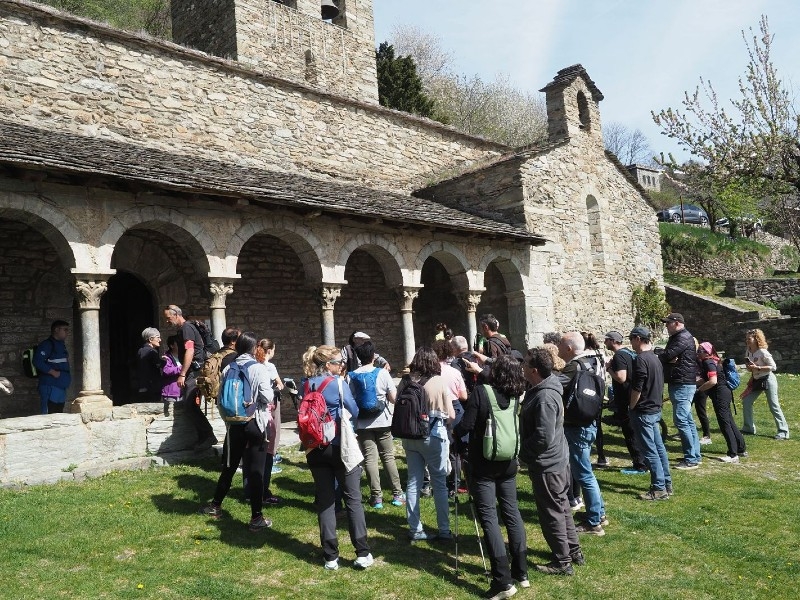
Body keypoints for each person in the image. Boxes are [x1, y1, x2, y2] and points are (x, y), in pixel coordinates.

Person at [455, 355, 529, 598]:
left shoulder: (482, 392)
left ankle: (502, 581)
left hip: (483, 464)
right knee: (512, 513)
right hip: (508, 462)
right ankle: (521, 572)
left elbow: (466, 425)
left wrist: (454, 433)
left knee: (489, 519)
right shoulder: (516, 394)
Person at [301, 345, 373, 570]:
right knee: (353, 499)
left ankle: (330, 556)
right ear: (328, 365)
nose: (342, 365)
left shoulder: (306, 384)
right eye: (338, 362)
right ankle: (362, 553)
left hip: (315, 447)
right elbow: (355, 409)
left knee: (325, 501)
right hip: (340, 445)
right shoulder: (339, 384)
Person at [199, 331, 274, 532]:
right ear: (254, 348)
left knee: (229, 466)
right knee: (256, 471)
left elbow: (222, 397)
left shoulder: (228, 367)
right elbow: (267, 397)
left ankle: (215, 506)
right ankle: (256, 518)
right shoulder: (258, 368)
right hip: (255, 423)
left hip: (234, 424)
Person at [520, 347, 582, 576]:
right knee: (562, 507)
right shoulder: (546, 387)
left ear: (534, 370)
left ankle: (562, 561)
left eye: (525, 364)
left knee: (552, 513)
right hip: (557, 459)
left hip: (548, 464)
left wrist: (523, 454)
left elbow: (543, 437)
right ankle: (573, 551)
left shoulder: (545, 397)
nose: (522, 367)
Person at [400, 346, 455, 541]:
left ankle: (415, 529)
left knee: (413, 482)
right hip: (433, 433)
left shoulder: (406, 381)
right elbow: (451, 414)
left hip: (409, 435)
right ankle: (444, 530)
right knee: (439, 483)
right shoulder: (438, 382)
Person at [557, 331, 607, 536]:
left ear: (569, 348)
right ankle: (599, 513)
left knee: (583, 474)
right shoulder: (594, 361)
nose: (558, 348)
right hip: (589, 421)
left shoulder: (574, 366)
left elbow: (554, 386)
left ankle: (594, 522)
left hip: (576, 426)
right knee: (586, 472)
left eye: (560, 345)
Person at [349, 340, 403, 509]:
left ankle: (376, 497)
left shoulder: (352, 375)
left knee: (370, 459)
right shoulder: (382, 373)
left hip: (362, 423)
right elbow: (393, 399)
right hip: (383, 420)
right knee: (388, 457)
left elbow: (350, 400)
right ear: (373, 356)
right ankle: (397, 494)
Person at [628, 327, 672, 500]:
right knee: (659, 449)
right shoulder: (655, 358)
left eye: (631, 339)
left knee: (649, 451)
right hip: (654, 409)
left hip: (644, 411)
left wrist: (631, 406)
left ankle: (659, 488)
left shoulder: (640, 359)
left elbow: (637, 388)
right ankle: (667, 484)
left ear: (638, 339)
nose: (631, 343)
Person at [163, 305, 216, 450]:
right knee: (190, 405)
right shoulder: (184, 329)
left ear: (176, 315)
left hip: (194, 372)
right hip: (192, 371)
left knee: (189, 405)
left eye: (168, 318)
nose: (167, 321)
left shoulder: (186, 328)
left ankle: (208, 435)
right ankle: (203, 437)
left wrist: (182, 374)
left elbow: (190, 350)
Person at [243, 338, 284, 504]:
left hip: (247, 413)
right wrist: (274, 390)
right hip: (264, 414)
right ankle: (262, 492)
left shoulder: (247, 366)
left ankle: (248, 492)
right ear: (270, 350)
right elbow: (274, 389)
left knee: (249, 453)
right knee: (265, 453)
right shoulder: (267, 367)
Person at [659, 313, 702, 470]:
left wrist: (663, 356)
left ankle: (691, 459)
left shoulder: (682, 338)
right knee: (687, 420)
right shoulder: (680, 337)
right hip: (681, 382)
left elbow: (667, 355)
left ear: (676, 323)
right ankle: (695, 455)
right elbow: (668, 356)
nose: (666, 326)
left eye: (668, 323)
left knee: (681, 420)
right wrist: (666, 356)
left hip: (682, 383)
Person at [604, 331, 647, 475]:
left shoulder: (619, 355)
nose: (605, 343)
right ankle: (643, 461)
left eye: (606, 340)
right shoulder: (630, 353)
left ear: (612, 341)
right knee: (636, 431)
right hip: (632, 397)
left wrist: (608, 368)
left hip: (625, 399)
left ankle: (639, 465)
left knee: (630, 433)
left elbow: (621, 378)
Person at [696, 342, 747, 462]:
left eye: (700, 351)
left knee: (724, 424)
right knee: (729, 421)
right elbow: (707, 378)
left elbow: (713, 381)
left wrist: (699, 390)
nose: (698, 353)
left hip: (720, 395)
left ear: (707, 352)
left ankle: (733, 454)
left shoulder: (708, 362)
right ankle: (741, 448)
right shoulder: (714, 360)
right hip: (725, 393)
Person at [741, 329, 790, 440]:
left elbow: (773, 367)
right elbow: (751, 369)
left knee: (774, 406)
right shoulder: (748, 351)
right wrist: (750, 368)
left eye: (749, 338)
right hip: (757, 380)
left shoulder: (763, 352)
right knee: (746, 401)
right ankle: (748, 428)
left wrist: (757, 367)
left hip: (768, 379)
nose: (747, 341)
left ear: (756, 339)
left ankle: (783, 432)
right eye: (746, 339)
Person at [33, 319, 72, 414]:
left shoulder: (61, 345)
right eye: (65, 329)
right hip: (50, 386)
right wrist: (54, 373)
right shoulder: (47, 344)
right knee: (48, 414)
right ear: (56, 330)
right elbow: (37, 361)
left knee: (58, 415)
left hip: (60, 386)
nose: (67, 332)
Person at [136, 327, 162, 402]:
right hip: (152, 386)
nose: (160, 340)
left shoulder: (140, 351)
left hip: (142, 385)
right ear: (150, 339)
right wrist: (166, 361)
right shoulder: (152, 351)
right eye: (158, 337)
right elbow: (158, 364)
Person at [161, 335, 182, 416]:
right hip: (171, 393)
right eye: (178, 344)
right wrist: (182, 368)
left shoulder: (183, 356)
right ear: (172, 346)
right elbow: (166, 370)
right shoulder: (166, 357)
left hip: (182, 392)